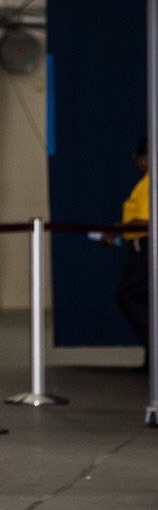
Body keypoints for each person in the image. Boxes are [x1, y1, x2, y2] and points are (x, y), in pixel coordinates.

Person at [111, 137, 150, 362]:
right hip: (141, 246)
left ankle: (154, 346)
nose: (135, 161)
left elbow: (145, 220)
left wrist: (117, 230)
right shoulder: (145, 183)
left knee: (127, 295)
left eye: (139, 156)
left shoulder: (149, 183)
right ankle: (151, 358)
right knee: (145, 299)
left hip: (146, 249)